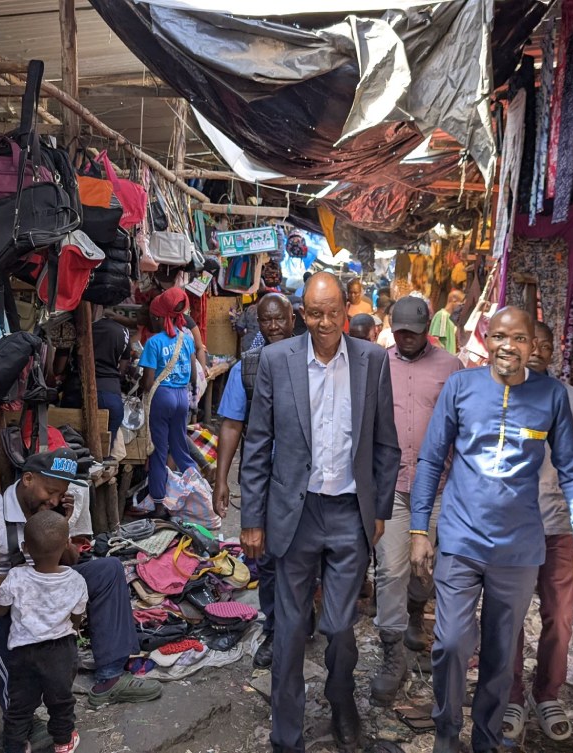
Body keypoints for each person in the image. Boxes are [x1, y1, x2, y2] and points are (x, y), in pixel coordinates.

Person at [409, 306, 573, 753]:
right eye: (497, 337)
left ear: (532, 347)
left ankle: (487, 738)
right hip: (460, 539)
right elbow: (431, 459)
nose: (506, 347)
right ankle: (445, 732)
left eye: (517, 339)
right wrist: (420, 528)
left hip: (518, 549)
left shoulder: (551, 396)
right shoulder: (461, 386)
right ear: (486, 340)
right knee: (452, 643)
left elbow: (572, 471)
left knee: (499, 654)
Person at [240, 272, 401, 753]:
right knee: (289, 632)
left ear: (345, 313)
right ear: (301, 315)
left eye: (333, 313)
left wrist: (379, 511)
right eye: (315, 313)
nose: (325, 322)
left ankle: (340, 699)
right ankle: (286, 736)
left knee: (337, 627)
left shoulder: (372, 360)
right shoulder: (275, 360)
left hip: (351, 513)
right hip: (295, 511)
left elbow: (385, 444)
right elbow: (258, 443)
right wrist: (252, 518)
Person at [0, 448, 161, 745]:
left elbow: (68, 564)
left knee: (108, 569)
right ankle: (20, 719)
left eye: (61, 494)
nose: (55, 500)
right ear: (28, 479)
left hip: (31, 594)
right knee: (10, 608)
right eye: (51, 491)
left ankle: (110, 676)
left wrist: (63, 526)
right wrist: (12, 580)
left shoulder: (50, 510)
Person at [503, 321, 573, 742]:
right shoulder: (501, 394)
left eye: (547, 344)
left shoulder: (570, 398)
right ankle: (510, 695)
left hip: (560, 525)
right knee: (507, 617)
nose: (539, 351)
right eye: (531, 343)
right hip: (510, 525)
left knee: (560, 617)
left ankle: (547, 694)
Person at [370, 296, 462, 706]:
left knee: (425, 568)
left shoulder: (450, 367)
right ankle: (392, 653)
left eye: (413, 331)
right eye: (400, 331)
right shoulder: (376, 363)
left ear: (428, 329)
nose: (406, 338)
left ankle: (414, 613)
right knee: (389, 568)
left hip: (439, 487)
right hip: (390, 487)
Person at [212, 293, 295, 669]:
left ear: (293, 318)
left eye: (280, 319)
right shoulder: (245, 369)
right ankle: (277, 630)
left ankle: (301, 619)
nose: (274, 327)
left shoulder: (312, 362)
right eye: (267, 321)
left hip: (307, 478)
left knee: (305, 555)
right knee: (268, 558)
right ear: (258, 324)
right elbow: (231, 425)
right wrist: (221, 479)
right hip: (265, 479)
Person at [0, 511, 87, 753]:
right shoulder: (76, 580)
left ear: (25, 547)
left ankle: (15, 746)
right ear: (67, 544)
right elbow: (77, 615)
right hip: (60, 650)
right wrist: (74, 627)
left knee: (20, 704)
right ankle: (63, 741)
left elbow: (1, 609)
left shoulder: (16, 576)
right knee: (61, 699)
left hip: (23, 651)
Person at [139, 287, 198, 507]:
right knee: (180, 448)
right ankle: (197, 490)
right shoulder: (186, 339)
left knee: (158, 451)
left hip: (162, 397)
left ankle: (158, 501)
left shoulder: (154, 342)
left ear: (157, 317)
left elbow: (147, 382)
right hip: (182, 397)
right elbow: (193, 374)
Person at [57, 316, 132, 452]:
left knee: (69, 445)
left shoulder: (72, 327)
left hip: (76, 392)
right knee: (105, 450)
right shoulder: (123, 331)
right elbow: (122, 370)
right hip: (110, 395)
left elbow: (58, 368)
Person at [430, 289, 465, 355]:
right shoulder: (442, 316)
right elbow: (435, 340)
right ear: (454, 300)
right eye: (461, 303)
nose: (462, 307)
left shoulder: (451, 319)